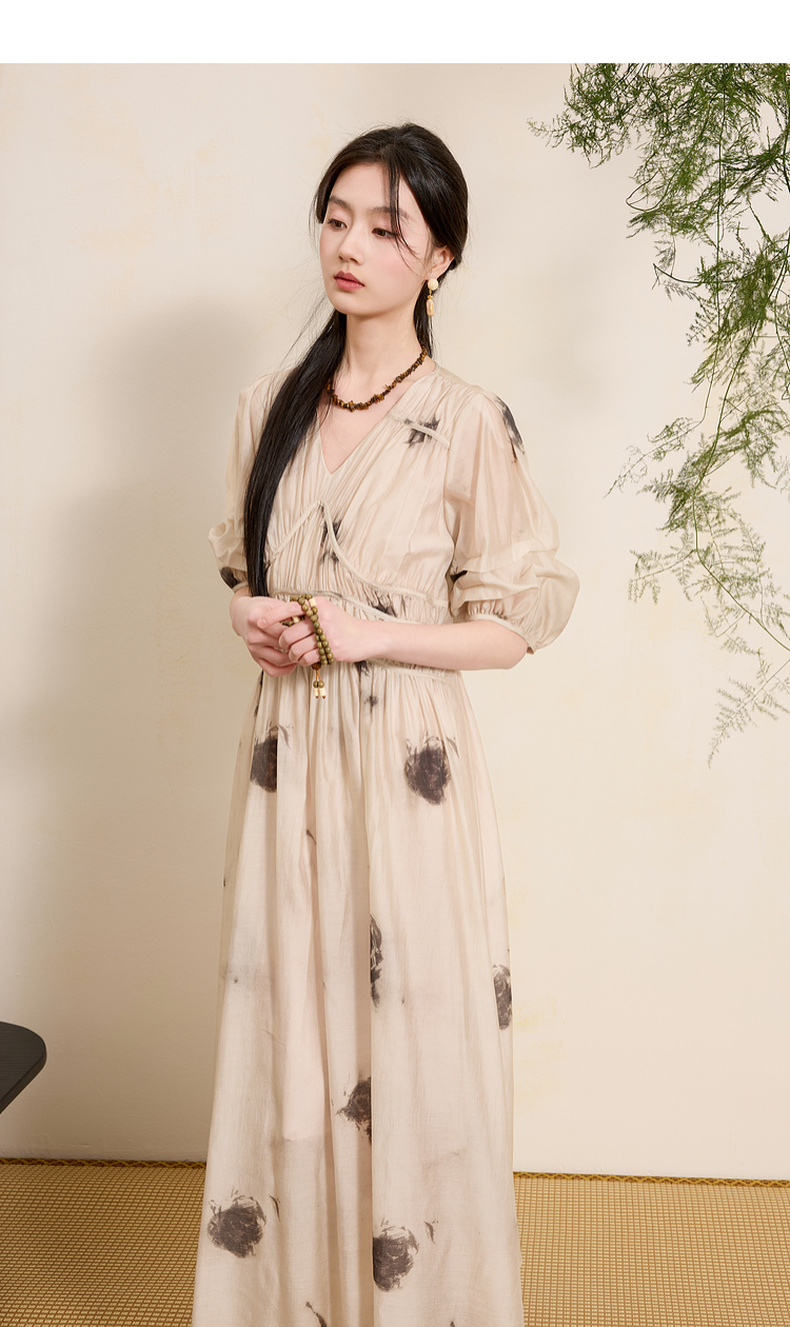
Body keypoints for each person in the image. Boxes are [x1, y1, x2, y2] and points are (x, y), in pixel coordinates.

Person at [192, 123, 578, 1327]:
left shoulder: (466, 421)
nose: (348, 245)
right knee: (292, 1045)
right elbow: (244, 572)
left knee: (415, 1044)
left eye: (384, 226)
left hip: (408, 772)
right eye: (336, 218)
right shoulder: (267, 408)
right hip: (287, 762)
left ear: (440, 256)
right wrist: (253, 618)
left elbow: (513, 625)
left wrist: (372, 632)